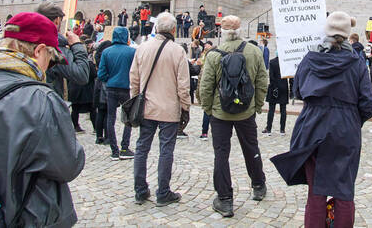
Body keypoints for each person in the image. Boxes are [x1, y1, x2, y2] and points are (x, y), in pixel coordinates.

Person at [0, 12, 85, 226]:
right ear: (39, 50)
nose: (49, 67)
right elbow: (69, 164)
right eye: (51, 60)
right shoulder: (40, 98)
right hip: (26, 214)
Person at [271, 11, 372, 227]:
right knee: (344, 189)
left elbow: (298, 91)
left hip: (313, 124)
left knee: (316, 190)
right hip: (345, 127)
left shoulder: (310, 59)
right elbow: (368, 105)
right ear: (348, 35)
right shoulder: (357, 63)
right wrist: (352, 120)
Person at [199, 15, 268, 217]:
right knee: (251, 148)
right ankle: (258, 185)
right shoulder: (254, 51)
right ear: (239, 31)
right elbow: (263, 81)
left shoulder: (213, 55)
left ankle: (225, 199)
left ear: (222, 32)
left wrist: (208, 109)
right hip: (246, 111)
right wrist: (257, 106)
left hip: (220, 113)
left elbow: (206, 86)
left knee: (221, 154)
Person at [129, 12, 190, 206]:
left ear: (156, 29)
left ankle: (140, 191)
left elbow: (134, 79)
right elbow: (183, 84)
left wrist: (134, 100)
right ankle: (163, 192)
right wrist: (185, 107)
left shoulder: (142, 48)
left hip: (146, 106)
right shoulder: (178, 51)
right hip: (169, 109)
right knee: (166, 150)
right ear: (173, 29)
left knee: (141, 148)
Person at [97, 26, 137, 161]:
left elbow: (101, 74)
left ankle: (114, 150)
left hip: (111, 88)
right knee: (128, 118)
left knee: (110, 118)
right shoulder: (132, 52)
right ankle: (125, 148)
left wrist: (110, 80)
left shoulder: (106, 52)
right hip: (126, 88)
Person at [36, 2, 90, 100]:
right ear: (57, 21)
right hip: (48, 104)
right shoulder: (54, 48)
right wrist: (77, 45)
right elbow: (81, 75)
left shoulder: (25, 41)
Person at [68, 38, 97, 133]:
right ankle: (95, 128)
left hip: (74, 89)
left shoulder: (70, 63)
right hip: (86, 90)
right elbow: (94, 74)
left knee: (75, 109)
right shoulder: (87, 63)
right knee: (92, 110)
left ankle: (76, 126)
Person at [263, 54, 289, 135]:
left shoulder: (272, 62)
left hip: (274, 87)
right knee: (283, 109)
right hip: (284, 87)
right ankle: (282, 130)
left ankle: (269, 128)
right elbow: (290, 76)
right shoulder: (286, 62)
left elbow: (271, 77)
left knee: (271, 109)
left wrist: (274, 87)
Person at [93, 40, 112, 145]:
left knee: (100, 112)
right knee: (107, 113)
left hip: (99, 87)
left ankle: (99, 136)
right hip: (105, 87)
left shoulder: (98, 57)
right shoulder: (106, 57)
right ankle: (107, 136)